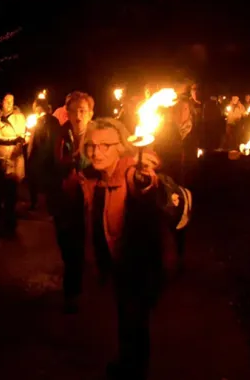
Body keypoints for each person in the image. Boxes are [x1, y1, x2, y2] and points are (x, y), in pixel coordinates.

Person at [80, 118, 192, 380]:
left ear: (120, 147)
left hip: (140, 265)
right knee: (127, 319)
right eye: (91, 146)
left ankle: (133, 370)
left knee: (135, 322)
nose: (96, 152)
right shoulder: (97, 177)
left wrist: (145, 180)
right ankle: (127, 363)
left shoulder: (131, 172)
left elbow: (144, 184)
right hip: (120, 264)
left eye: (105, 145)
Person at [50, 91, 95, 314]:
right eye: (74, 111)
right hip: (64, 201)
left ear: (91, 113)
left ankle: (74, 291)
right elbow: (46, 164)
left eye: (83, 111)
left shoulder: (98, 136)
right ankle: (73, 285)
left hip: (90, 200)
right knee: (68, 246)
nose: (78, 116)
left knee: (81, 246)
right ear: (66, 112)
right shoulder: (58, 135)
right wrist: (61, 179)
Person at [0, 93, 27, 237]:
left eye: (12, 101)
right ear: (0, 102)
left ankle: (10, 224)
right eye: (6, 101)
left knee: (11, 193)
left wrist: (23, 139)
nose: (9, 104)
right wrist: (15, 139)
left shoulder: (19, 117)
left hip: (14, 159)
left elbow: (22, 134)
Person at [26, 97, 57, 211]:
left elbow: (38, 141)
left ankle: (37, 205)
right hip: (51, 157)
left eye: (35, 108)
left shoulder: (40, 121)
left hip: (39, 158)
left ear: (38, 108)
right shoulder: (54, 120)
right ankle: (48, 206)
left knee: (37, 183)